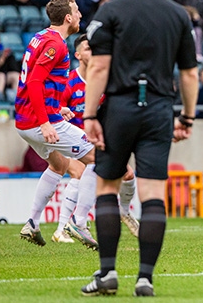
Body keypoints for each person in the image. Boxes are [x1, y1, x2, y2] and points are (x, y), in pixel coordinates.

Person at [81, 0, 198, 297]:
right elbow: (190, 74)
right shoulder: (179, 14)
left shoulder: (110, 11)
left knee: (106, 187)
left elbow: (98, 66)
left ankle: (107, 273)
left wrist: (89, 115)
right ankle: (145, 278)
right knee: (151, 194)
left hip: (118, 107)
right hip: (160, 109)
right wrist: (187, 118)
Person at [15, 0, 94, 247]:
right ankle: (78, 222)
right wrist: (46, 121)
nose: (80, 14)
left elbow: (37, 82)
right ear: (68, 18)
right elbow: (35, 81)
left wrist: (57, 107)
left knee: (58, 166)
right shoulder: (56, 45)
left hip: (25, 121)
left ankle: (32, 223)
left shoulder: (40, 36)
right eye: (77, 10)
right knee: (100, 160)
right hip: (41, 122)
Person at [53, 34, 140, 248]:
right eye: (89, 48)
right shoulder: (69, 82)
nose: (93, 52)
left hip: (97, 140)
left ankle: (123, 211)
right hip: (71, 141)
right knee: (80, 172)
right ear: (78, 54)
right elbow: (54, 109)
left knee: (128, 174)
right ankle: (65, 226)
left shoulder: (104, 80)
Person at [0, 30, 21, 101]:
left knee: (15, 76)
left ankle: (15, 103)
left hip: (2, 74)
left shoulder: (1, 51)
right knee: (0, 77)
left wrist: (4, 57)